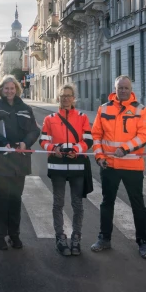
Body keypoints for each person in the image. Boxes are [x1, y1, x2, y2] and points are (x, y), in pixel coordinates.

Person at [90, 75, 146, 260]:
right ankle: (104, 238)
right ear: (115, 89)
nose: (123, 91)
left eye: (126, 88)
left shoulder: (140, 110)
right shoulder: (103, 108)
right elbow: (96, 135)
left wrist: (125, 149)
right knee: (107, 203)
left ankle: (143, 242)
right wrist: (99, 157)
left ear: (131, 89)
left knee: (138, 205)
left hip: (132, 165)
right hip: (109, 165)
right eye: (120, 88)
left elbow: (144, 135)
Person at [0, 75, 40, 250]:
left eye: (12, 88)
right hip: (0, 160)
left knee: (15, 198)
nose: (9, 91)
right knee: (1, 198)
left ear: (17, 89)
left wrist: (25, 143)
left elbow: (34, 130)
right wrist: (2, 143)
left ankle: (14, 235)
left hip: (19, 160)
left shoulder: (26, 108)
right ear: (1, 90)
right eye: (6, 88)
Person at [39, 83, 92, 257]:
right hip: (58, 166)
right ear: (58, 98)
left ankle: (76, 237)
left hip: (77, 165)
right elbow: (43, 141)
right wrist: (53, 148)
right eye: (63, 95)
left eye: (69, 95)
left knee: (77, 204)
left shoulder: (82, 117)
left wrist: (77, 150)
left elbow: (88, 140)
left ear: (73, 98)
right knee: (58, 203)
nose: (66, 98)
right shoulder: (50, 118)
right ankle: (60, 238)